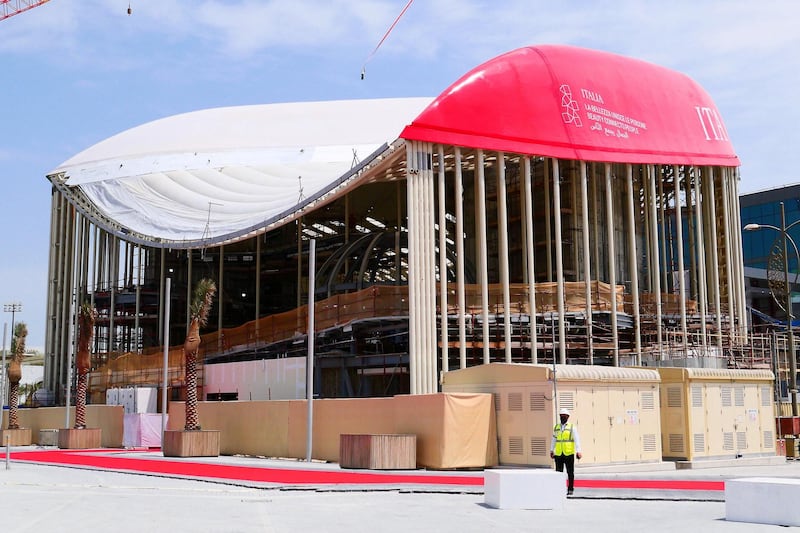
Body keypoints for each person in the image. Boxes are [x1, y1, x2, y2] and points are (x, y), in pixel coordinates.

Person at [550, 407, 582, 495]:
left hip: (569, 453)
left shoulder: (572, 427)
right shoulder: (556, 427)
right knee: (558, 473)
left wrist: (578, 451)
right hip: (559, 454)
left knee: (570, 472)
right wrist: (552, 450)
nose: (562, 417)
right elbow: (553, 439)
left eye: (564, 416)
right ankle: (559, 489)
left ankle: (570, 489)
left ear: (568, 417)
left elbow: (576, 439)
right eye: (561, 416)